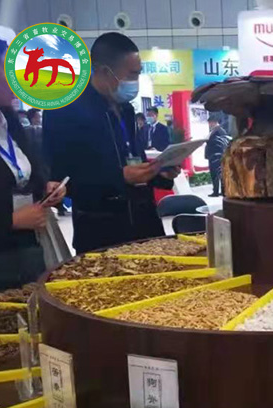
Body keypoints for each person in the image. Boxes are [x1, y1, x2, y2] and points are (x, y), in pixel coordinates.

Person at [44, 32, 177, 254]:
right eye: (132, 74)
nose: (135, 82)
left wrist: (158, 173)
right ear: (105, 71)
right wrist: (119, 177)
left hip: (145, 227)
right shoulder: (64, 112)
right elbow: (62, 181)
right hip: (101, 232)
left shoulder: (126, 109)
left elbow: (134, 161)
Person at [0, 24, 66, 298]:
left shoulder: (8, 123)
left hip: (27, 254)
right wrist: (8, 221)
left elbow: (18, 178)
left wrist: (44, 189)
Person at [205, 114, 230, 197]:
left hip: (217, 156)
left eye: (210, 122)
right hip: (213, 155)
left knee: (219, 173)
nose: (209, 124)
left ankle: (222, 191)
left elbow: (222, 144)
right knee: (215, 174)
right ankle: (217, 191)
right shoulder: (214, 131)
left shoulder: (219, 131)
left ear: (214, 122)